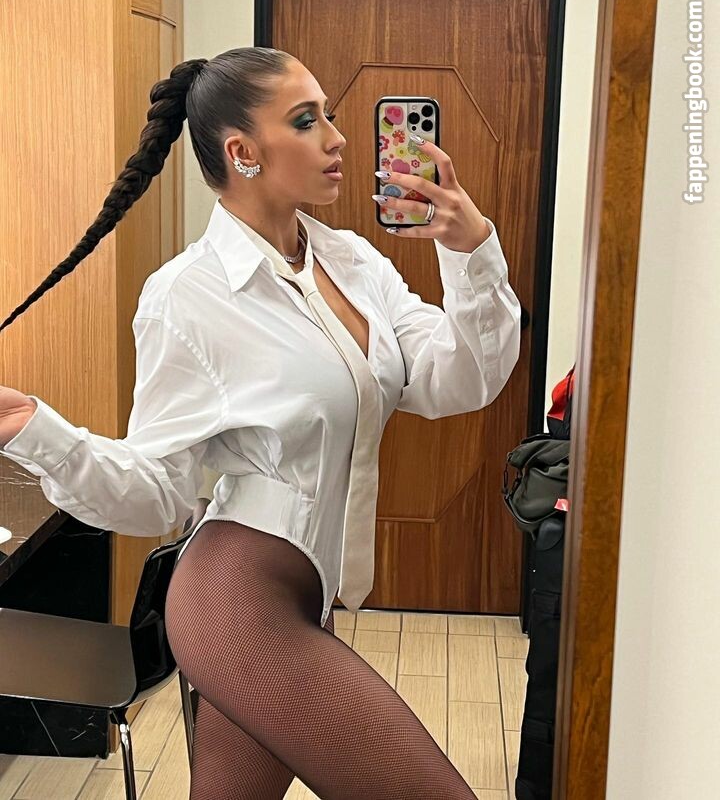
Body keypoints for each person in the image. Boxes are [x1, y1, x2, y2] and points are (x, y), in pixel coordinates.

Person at [0, 47, 521, 799]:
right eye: (306, 121)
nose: (337, 138)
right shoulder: (187, 296)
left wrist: (470, 254)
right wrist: (35, 430)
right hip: (235, 599)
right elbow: (157, 494)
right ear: (243, 151)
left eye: (329, 116)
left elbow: (457, 380)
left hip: (305, 592)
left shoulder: (351, 260)